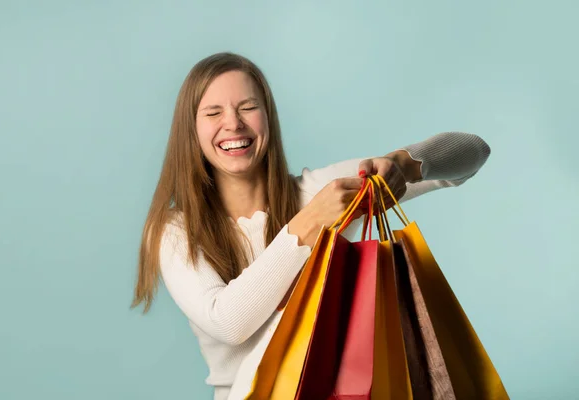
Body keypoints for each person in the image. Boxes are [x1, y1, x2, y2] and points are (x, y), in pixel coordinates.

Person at [131, 52, 491, 400]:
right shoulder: (175, 229)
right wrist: (312, 221)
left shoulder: (320, 190)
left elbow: (473, 152)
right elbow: (229, 323)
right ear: (190, 129)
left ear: (268, 118)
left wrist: (402, 164)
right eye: (213, 112)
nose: (233, 123)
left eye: (248, 107)